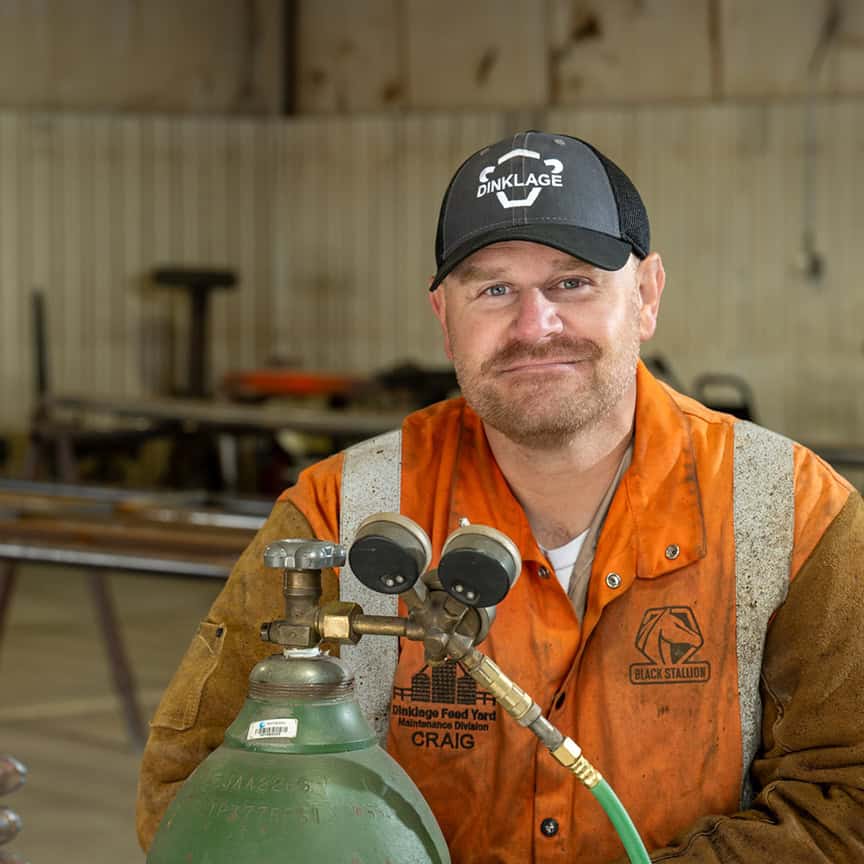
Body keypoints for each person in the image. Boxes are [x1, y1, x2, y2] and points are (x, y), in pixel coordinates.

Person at [137, 132, 864, 862]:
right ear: (444, 319)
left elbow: (847, 800)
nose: (533, 326)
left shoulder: (795, 513)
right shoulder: (338, 513)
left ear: (646, 296)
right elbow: (191, 796)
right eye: (493, 289)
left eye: (572, 282)